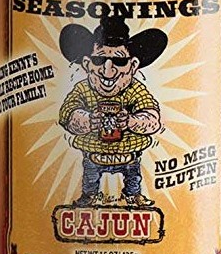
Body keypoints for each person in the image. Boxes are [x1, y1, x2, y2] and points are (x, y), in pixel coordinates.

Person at [58, 16, 167, 207]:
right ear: (87, 64)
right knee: (90, 179)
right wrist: (88, 120)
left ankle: (133, 196)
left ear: (133, 65)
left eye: (119, 61)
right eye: (99, 60)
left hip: (129, 154)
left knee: (133, 178)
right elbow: (67, 113)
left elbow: (152, 119)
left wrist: (131, 121)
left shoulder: (136, 91)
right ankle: (89, 196)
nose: (107, 71)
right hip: (93, 155)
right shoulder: (82, 89)